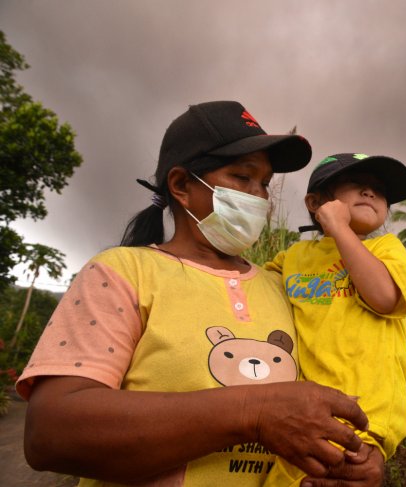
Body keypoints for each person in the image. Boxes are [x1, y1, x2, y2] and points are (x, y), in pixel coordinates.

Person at [15, 102, 385, 487]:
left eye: (264, 184)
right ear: (181, 186)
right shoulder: (123, 272)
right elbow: (49, 434)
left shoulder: (285, 289)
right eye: (243, 177)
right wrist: (252, 414)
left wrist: (362, 462)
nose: (259, 196)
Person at [263, 153, 406, 487]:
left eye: (379, 190)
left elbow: (382, 296)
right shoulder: (293, 258)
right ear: (315, 202)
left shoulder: (389, 251)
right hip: (304, 416)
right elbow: (255, 292)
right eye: (356, 184)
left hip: (365, 421)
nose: (370, 193)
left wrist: (338, 227)